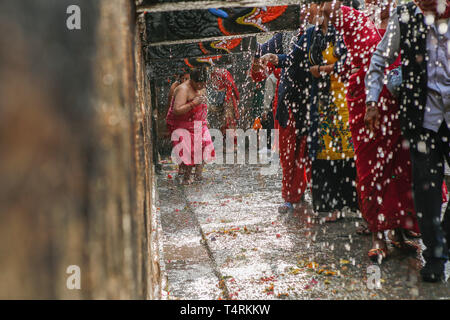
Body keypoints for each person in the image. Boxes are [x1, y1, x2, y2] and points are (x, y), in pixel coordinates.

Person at [322, 0, 421, 263]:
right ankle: (378, 235)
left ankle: (400, 232)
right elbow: (327, 9)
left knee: (401, 168)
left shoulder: (406, 16)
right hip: (366, 106)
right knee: (371, 169)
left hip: (399, 105)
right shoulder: (356, 19)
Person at [365, 0, 450, 281]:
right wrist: (371, 100)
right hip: (420, 119)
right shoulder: (403, 17)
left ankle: (444, 237)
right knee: (427, 192)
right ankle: (435, 257)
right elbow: (379, 60)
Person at [261, 2, 359, 222]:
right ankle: (329, 204)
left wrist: (324, 69)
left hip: (342, 99)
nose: (306, 10)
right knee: (322, 154)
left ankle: (353, 203)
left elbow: (352, 63)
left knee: (347, 151)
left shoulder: (343, 31)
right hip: (319, 103)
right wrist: (277, 59)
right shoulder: (309, 34)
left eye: (312, 4)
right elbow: (294, 59)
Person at [251, 3, 317, 214]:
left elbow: (303, 60)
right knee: (289, 152)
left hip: (315, 99)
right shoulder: (283, 35)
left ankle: (318, 193)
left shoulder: (320, 30)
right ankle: (291, 194)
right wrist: (253, 45)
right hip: (288, 101)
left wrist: (277, 59)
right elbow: (261, 53)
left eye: (307, 6)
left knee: (312, 151)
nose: (303, 12)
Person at [166, 67, 215, 184]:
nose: (202, 87)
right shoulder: (183, 89)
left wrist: (204, 117)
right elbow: (176, 110)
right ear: (192, 80)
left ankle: (198, 174)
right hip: (182, 123)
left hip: (198, 122)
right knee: (189, 151)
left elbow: (203, 103)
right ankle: (186, 177)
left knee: (205, 145)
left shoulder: (201, 86)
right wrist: (193, 103)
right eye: (199, 84)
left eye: (204, 84)